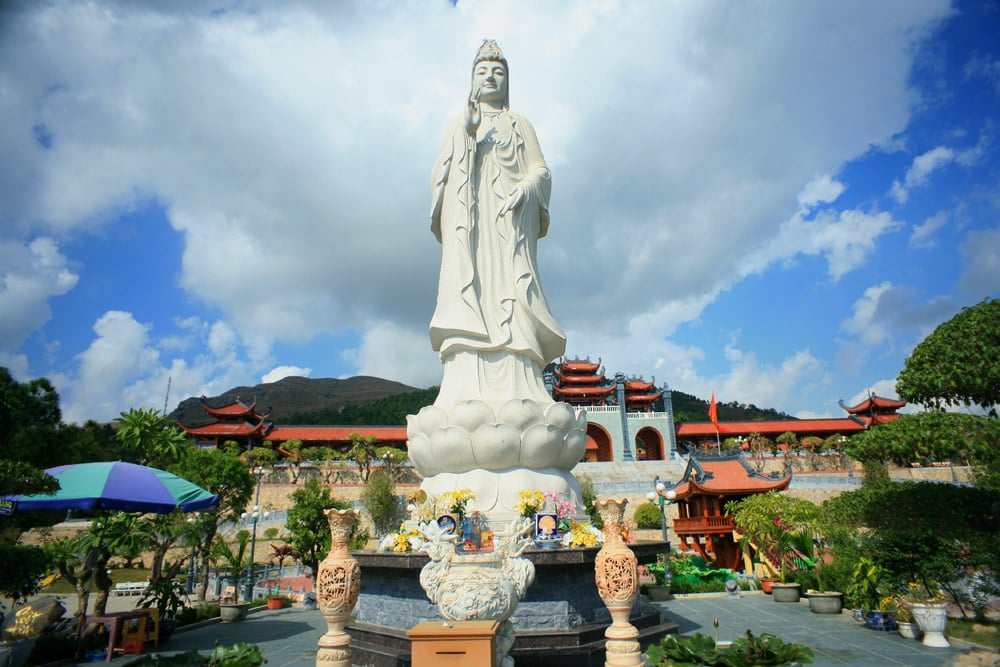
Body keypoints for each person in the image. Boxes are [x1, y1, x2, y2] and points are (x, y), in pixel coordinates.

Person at [429, 40, 565, 402]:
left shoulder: (520, 125)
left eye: (498, 72)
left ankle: (521, 371)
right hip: (471, 228)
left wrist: (527, 188)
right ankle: (468, 362)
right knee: (473, 280)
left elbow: (541, 170)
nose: (490, 77)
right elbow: (442, 183)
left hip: (511, 225)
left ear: (508, 80)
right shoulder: (458, 125)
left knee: (511, 287)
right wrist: (468, 135)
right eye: (482, 71)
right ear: (472, 78)